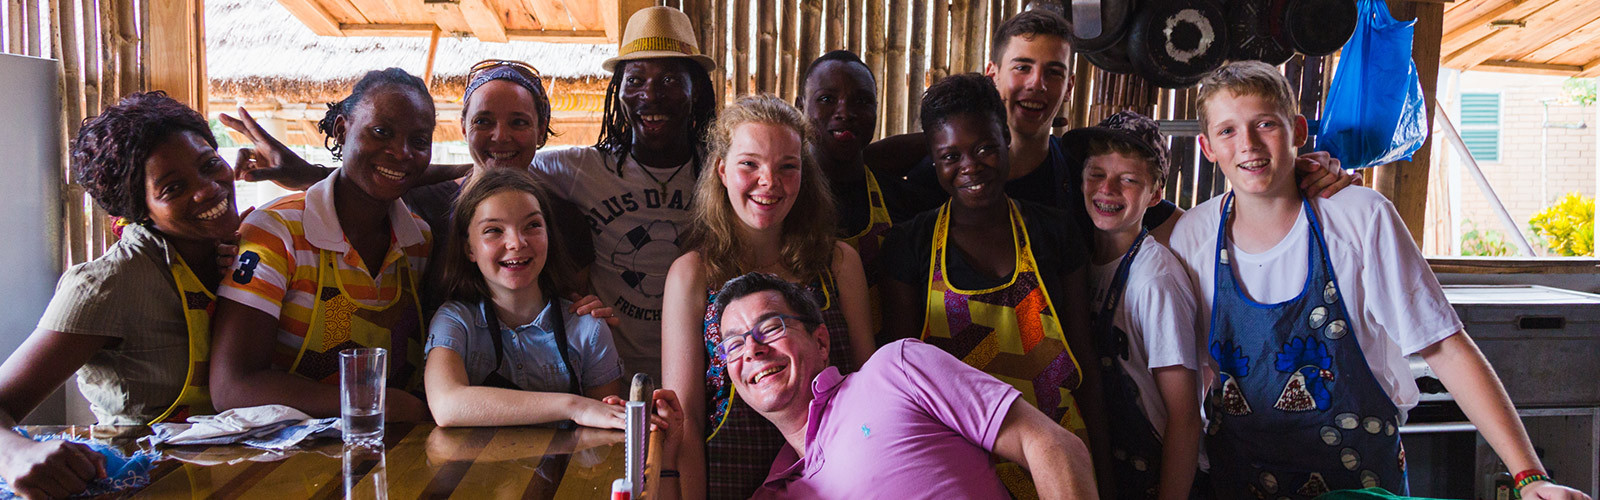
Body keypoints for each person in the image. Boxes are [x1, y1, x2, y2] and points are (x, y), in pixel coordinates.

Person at [1168, 60, 1591, 500]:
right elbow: (1186, 379)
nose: (1249, 144)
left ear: (1296, 130)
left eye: (1265, 124)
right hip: (1237, 481)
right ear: (1207, 147)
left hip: (1361, 480)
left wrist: (1529, 476)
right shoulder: (1191, 237)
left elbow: (1444, 346)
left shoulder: (1360, 218)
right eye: (1228, 131)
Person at [868, 8, 1357, 243]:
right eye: (1022, 67)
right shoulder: (935, 176)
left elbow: (1191, 227)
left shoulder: (1086, 167)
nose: (1037, 84)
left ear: (1070, 86)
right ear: (993, 75)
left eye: (1053, 71)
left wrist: (1293, 178)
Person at [222, 59, 613, 323]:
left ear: (542, 131)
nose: (500, 136)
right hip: (435, 398)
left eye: (519, 122)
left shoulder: (565, 220)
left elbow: (574, 313)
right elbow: (366, 181)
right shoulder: (417, 209)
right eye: (483, 121)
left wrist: (587, 317)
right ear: (462, 127)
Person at [0, 92, 244, 499]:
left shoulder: (245, 255)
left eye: (210, 165)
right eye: (173, 188)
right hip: (140, 485)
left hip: (240, 479)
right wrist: (15, 455)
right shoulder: (109, 284)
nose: (207, 190)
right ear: (139, 208)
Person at [879, 73, 1108, 498]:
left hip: (1060, 465)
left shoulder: (1054, 230)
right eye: (950, 155)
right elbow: (903, 384)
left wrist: (1103, 480)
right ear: (932, 158)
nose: (970, 166)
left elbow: (1085, 364)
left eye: (984, 147)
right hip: (964, 474)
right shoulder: (911, 244)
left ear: (1005, 137)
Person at [706, 272, 1095, 499]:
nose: (752, 349)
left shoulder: (897, 370)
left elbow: (1050, 444)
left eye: (770, 328)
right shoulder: (775, 494)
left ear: (821, 342)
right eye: (734, 343)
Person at [661, 94, 874, 500]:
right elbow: (685, 423)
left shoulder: (840, 264)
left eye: (787, 167)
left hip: (838, 483)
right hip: (732, 485)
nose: (769, 182)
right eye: (750, 164)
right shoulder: (691, 275)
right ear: (722, 171)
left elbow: (870, 390)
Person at [209, 68, 437, 421]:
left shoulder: (418, 240)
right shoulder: (275, 232)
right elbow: (233, 387)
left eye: (420, 141)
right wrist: (376, 402)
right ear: (342, 130)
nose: (401, 152)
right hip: (284, 465)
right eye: (381, 132)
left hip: (392, 452)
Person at [529, 6, 719, 380]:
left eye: (669, 80)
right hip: (609, 377)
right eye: (635, 81)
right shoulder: (582, 169)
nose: (650, 95)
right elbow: (498, 171)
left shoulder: (723, 170)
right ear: (618, 92)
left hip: (706, 376)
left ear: (695, 90)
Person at [1063, 111, 1202, 499]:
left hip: (1160, 476)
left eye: (1128, 180)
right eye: (1096, 174)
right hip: (1112, 469)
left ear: (1156, 194)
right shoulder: (1082, 266)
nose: (1107, 189)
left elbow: (1185, 418)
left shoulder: (1154, 282)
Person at [423, 169, 628, 428]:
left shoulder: (589, 328)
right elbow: (446, 405)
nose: (516, 243)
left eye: (532, 226)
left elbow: (608, 438)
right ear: (469, 249)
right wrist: (575, 406)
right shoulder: (455, 320)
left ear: (549, 236)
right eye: (494, 230)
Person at [795, 50, 899, 342]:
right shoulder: (777, 199)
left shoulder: (898, 200)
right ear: (800, 106)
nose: (845, 112)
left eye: (862, 101)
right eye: (827, 99)